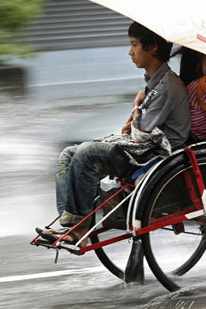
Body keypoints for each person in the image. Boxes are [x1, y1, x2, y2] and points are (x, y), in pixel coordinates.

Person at [38, 22, 191, 246]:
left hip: (155, 156)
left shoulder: (166, 87)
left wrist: (136, 109)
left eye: (135, 45)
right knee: (68, 154)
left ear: (153, 48)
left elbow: (140, 135)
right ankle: (69, 221)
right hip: (144, 149)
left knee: (86, 154)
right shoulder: (154, 82)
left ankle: (80, 229)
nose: (130, 52)